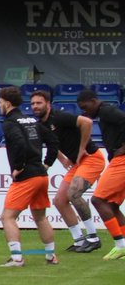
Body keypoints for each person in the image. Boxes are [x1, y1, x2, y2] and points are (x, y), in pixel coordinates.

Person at [31, 90, 104, 252]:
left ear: (48, 104)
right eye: (33, 103)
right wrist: (63, 159)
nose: (35, 106)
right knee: (59, 200)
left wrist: (82, 149)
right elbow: (51, 144)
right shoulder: (40, 125)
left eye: (39, 103)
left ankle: (93, 237)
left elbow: (87, 122)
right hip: (77, 163)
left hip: (92, 158)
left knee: (74, 194)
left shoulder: (59, 117)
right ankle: (79, 240)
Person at [0, 85, 60, 267]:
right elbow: (54, 141)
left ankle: (17, 258)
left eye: (0, 103)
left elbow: (18, 142)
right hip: (41, 175)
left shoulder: (10, 122)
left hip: (27, 176)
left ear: (7, 104)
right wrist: (47, 163)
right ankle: (50, 256)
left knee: (7, 217)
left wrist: (18, 166)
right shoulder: (31, 121)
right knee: (40, 217)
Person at [76, 89, 125, 260]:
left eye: (85, 106)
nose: (85, 111)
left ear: (94, 101)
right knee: (111, 205)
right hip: (118, 160)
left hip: (122, 161)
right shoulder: (104, 114)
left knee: (98, 200)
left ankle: (120, 245)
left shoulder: (107, 111)